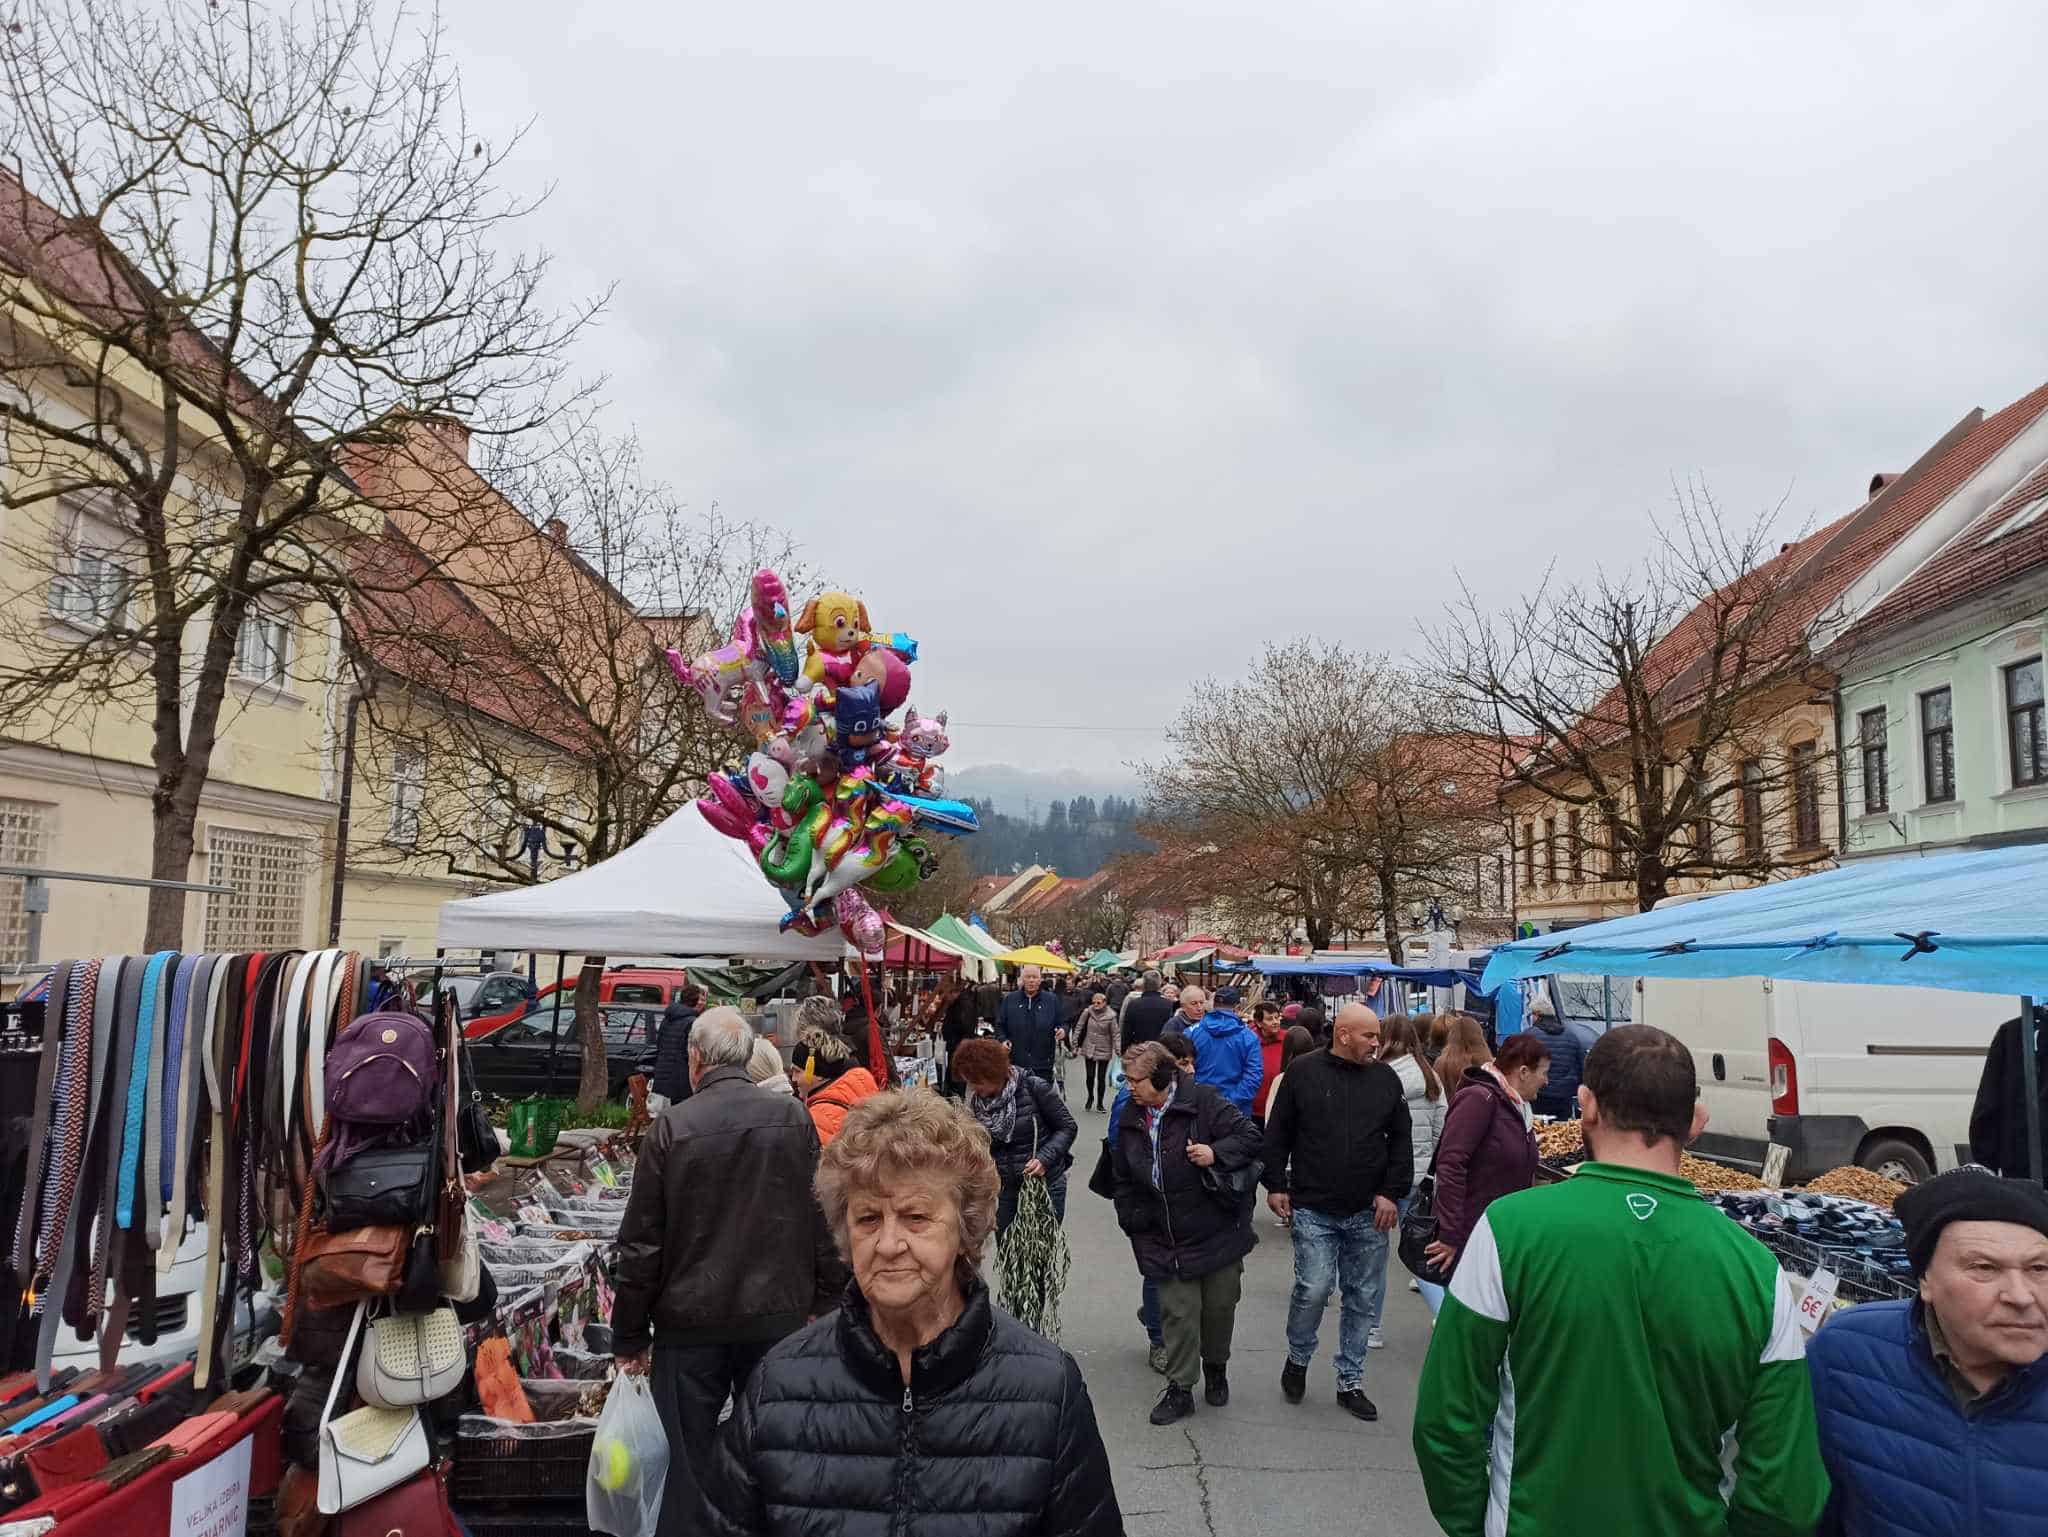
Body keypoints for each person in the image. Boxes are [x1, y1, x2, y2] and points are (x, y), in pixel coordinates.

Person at [1413, 1025, 1829, 1537]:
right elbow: (1785, 1489)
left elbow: (1445, 1420)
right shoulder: (1758, 1273)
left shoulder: (1507, 1230)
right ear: (1695, 1124)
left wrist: (1473, 1525)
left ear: (1586, 1106)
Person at [707, 1090, 1122, 1537]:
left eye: (916, 1217)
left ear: (966, 1227)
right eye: (868, 1219)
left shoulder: (1047, 1391)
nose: (888, 1244)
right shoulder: (778, 1386)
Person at [612, 1009, 849, 1535]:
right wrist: (828, 1300)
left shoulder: (672, 1127)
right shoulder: (792, 1118)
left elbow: (642, 1244)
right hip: (777, 1319)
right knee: (775, 1452)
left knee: (689, 1466)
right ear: (747, 1058)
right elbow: (823, 1220)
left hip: (690, 1324)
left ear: (694, 1060)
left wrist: (629, 1334)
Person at [1805, 1167, 2048, 1536]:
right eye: (1984, 1268)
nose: (2020, 1295)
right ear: (1924, 1281)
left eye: (2039, 1268)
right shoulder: (1847, 1357)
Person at [1263, 1003, 1411, 1421]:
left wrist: (1390, 1193)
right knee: (1313, 1288)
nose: (1376, 1044)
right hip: (1313, 1205)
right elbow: (1279, 1132)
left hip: (1369, 1210)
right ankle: (1298, 1357)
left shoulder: (1385, 1079)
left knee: (1362, 1297)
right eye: (1369, 1036)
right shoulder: (1304, 1073)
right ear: (1344, 1035)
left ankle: (1351, 1380)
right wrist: (1275, 1183)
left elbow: (1401, 1140)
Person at [1111, 1039, 1263, 1426]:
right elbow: (1121, 1172)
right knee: (1177, 1314)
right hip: (1164, 1235)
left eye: (1135, 1080)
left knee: (1218, 1309)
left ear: (1161, 1079)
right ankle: (1180, 1388)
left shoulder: (1205, 1101)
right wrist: (1131, 1217)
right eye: (1126, 1079)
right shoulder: (1130, 1114)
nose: (1129, 1086)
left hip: (1217, 1231)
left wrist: (1215, 1153)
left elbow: (1250, 1138)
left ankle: (1216, 1368)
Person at [1422, 1032, 1548, 1292]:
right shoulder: (1479, 1099)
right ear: (1523, 1071)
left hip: (1500, 1231)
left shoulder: (1518, 1107)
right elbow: (1451, 1164)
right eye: (1543, 1072)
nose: (1546, 1081)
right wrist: (1449, 1234)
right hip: (1472, 1233)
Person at [952, 1036, 1078, 1236]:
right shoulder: (976, 1105)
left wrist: (1044, 1159)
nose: (974, 1088)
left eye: (977, 1081)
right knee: (1007, 1252)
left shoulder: (1034, 1087)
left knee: (1039, 1255)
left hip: (1043, 1185)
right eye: (969, 1082)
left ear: (993, 1073)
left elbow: (1067, 1127)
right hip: (1006, 1189)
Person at [1378, 1014, 1448, 1317]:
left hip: (1383, 1178)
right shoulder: (1430, 1075)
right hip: (1416, 1177)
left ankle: (1373, 1327)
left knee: (1373, 1257)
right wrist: (1423, 1161)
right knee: (1417, 1250)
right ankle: (1443, 1315)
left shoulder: (1382, 1076)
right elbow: (1440, 1125)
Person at [1968, 1011, 2048, 1178]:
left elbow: (1987, 1107)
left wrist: (1987, 1165)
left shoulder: (2011, 1033)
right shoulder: (2011, 1033)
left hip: (2020, 1160)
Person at [793, 1027, 881, 1147]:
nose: (793, 1078)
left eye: (797, 1071)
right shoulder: (862, 1088)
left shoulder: (818, 1117)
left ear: (817, 1073)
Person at [1185, 985, 1263, 1116]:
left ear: (1213, 1005)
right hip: (1236, 1112)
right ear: (1238, 1008)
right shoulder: (1249, 1037)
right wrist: (1228, 1102)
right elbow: (1253, 1077)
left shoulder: (1191, 1032)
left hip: (1199, 1107)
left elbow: (1182, 1071)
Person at [995, 963, 1065, 1083]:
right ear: (1022, 979)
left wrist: (1062, 1030)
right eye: (1028, 977)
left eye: (1035, 977)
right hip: (1016, 1063)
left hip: (1043, 1064)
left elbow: (1062, 1022)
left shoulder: (1051, 1000)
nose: (1031, 980)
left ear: (1040, 980)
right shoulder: (1010, 999)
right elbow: (1000, 1025)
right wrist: (1003, 1040)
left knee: (1041, 1100)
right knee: (1019, 1100)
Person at [1525, 992, 1587, 1120]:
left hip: (1538, 1095)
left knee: (1539, 1131)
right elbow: (1582, 1067)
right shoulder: (1571, 1037)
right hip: (1564, 1096)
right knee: (1562, 1134)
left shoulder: (1528, 1036)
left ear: (1536, 1015)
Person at [651, 983, 706, 1103]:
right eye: (701, 999)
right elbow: (692, 1055)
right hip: (680, 1080)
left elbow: (659, 1044)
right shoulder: (692, 1022)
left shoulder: (668, 1018)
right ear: (696, 1001)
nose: (703, 1003)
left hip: (661, 1076)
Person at [1071, 990, 1120, 1112]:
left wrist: (1118, 1049)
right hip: (1090, 1046)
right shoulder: (1088, 1012)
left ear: (1104, 1003)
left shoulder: (1111, 1016)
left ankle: (1100, 1102)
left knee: (1101, 1077)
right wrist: (1074, 1042)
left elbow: (1116, 1034)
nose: (1096, 1005)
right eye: (1094, 1003)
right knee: (1090, 1076)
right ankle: (1090, 1097)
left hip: (1104, 1048)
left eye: (1098, 1003)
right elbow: (1079, 1027)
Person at [1250, 1001, 1287, 1122]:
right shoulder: (1249, 1041)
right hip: (1254, 1109)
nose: (1276, 1022)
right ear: (1259, 1023)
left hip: (1279, 1107)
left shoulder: (1288, 1039)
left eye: (1277, 1017)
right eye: (1270, 1019)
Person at [1120, 969, 1174, 1049]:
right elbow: (1171, 1030)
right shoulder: (1168, 1004)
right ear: (1159, 984)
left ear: (1144, 985)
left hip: (1139, 1048)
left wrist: (1124, 1049)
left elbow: (1127, 1031)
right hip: (1161, 1049)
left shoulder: (1134, 1004)